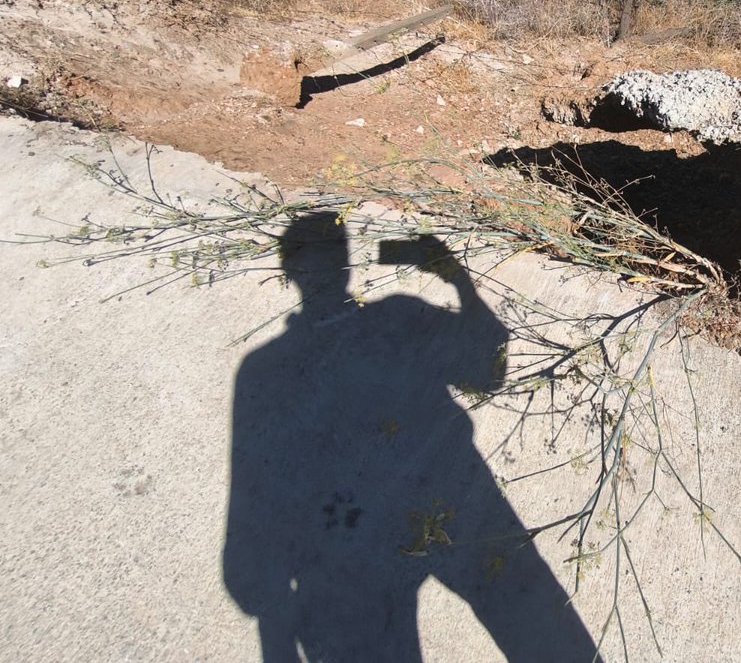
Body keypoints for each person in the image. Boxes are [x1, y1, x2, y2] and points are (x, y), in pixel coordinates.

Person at [223, 213, 598, 661]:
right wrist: (458, 280)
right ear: (347, 268)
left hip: (360, 529)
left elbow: (254, 496)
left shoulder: (268, 367)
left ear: (288, 273)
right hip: (439, 497)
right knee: (536, 618)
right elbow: (489, 372)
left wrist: (273, 608)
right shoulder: (396, 317)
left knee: (532, 618)